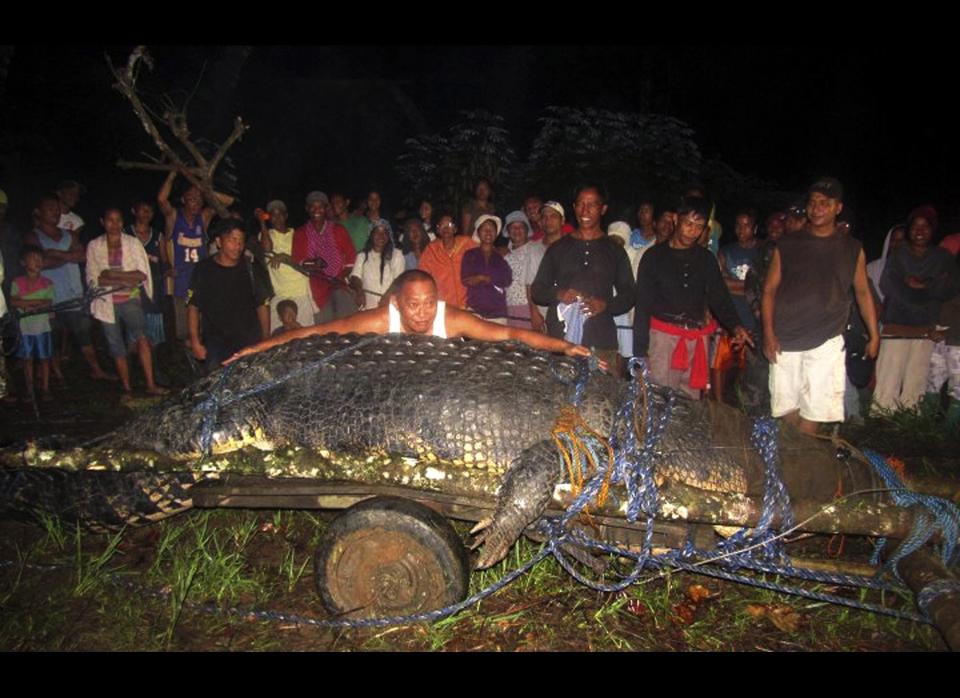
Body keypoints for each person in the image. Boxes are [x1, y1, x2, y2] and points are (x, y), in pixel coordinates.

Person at [225, 269, 596, 366]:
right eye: (414, 305)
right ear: (397, 304)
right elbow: (318, 331)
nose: (422, 313)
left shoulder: (450, 319)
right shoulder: (379, 319)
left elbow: (509, 336)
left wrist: (564, 346)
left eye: (429, 303)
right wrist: (257, 348)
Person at [762, 177, 879, 436]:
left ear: (838, 208)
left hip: (826, 338)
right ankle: (797, 454)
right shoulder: (789, 243)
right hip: (786, 337)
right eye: (813, 202)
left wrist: (874, 334)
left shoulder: (852, 248)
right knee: (785, 406)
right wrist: (768, 333)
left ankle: (803, 460)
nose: (817, 208)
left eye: (825, 203)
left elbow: (862, 291)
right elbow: (769, 289)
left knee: (815, 407)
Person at [633, 196, 752, 399]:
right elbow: (642, 305)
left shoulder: (706, 259)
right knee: (658, 400)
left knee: (689, 404)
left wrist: (736, 326)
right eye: (688, 223)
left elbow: (719, 297)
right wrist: (640, 351)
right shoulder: (653, 257)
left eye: (699, 226)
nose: (693, 231)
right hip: (663, 340)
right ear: (675, 219)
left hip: (695, 340)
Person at [531, 183, 635, 374]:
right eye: (580, 204)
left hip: (600, 340)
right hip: (560, 342)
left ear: (603, 209)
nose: (584, 210)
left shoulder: (614, 251)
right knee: (559, 400)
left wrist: (606, 305)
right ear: (574, 207)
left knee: (600, 401)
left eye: (592, 204)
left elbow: (629, 294)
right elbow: (537, 290)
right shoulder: (558, 248)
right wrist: (559, 293)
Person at [873, 206, 959, 412]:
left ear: (933, 230)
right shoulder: (898, 254)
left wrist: (922, 285)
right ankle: (881, 428)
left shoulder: (943, 258)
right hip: (896, 328)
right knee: (887, 383)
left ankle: (909, 431)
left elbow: (949, 289)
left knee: (915, 385)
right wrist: (924, 289)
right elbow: (888, 286)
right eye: (915, 226)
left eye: (925, 226)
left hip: (925, 331)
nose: (919, 231)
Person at [24, 193, 112, 383]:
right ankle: (55, 375)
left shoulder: (69, 234)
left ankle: (96, 369)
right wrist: (67, 256)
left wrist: (55, 254)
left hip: (73, 294)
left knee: (83, 332)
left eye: (56, 208)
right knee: (52, 335)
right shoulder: (33, 236)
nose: (55, 212)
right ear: (39, 212)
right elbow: (39, 264)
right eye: (49, 208)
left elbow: (82, 256)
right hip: (47, 297)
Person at [86, 208, 167, 395]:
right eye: (110, 220)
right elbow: (94, 278)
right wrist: (124, 278)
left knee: (142, 337)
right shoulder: (95, 246)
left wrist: (111, 274)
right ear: (102, 221)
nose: (114, 225)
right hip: (105, 302)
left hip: (130, 298)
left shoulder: (132, 243)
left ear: (123, 222)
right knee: (116, 344)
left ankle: (150, 384)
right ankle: (127, 387)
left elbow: (141, 275)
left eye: (118, 220)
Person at [157, 170, 234, 344]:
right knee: (186, 331)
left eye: (199, 199)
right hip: (181, 281)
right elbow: (162, 199)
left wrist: (203, 189)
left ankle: (204, 362)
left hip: (202, 281)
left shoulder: (204, 218)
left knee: (205, 326)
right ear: (183, 200)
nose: (196, 202)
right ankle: (191, 362)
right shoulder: (174, 217)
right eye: (191, 198)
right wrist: (172, 174)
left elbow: (228, 201)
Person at [187, 220, 271, 374]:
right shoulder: (203, 269)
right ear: (219, 242)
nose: (238, 246)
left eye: (241, 241)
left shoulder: (251, 269)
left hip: (249, 340)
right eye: (233, 240)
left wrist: (265, 339)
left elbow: (263, 304)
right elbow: (193, 306)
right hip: (216, 343)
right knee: (217, 385)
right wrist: (195, 341)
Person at [714, 209, 763, 403]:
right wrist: (750, 287)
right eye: (738, 225)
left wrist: (734, 285)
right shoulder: (726, 251)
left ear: (755, 227)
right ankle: (718, 404)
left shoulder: (762, 252)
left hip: (753, 319)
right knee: (720, 364)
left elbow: (764, 286)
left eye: (747, 225)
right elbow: (720, 283)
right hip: (730, 317)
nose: (742, 230)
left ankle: (744, 406)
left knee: (749, 369)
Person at [292, 191, 358, 324]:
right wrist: (312, 263)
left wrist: (340, 277)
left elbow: (351, 257)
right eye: (313, 206)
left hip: (340, 284)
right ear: (307, 209)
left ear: (326, 208)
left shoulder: (338, 229)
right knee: (325, 330)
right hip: (318, 288)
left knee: (348, 326)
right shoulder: (300, 233)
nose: (317, 210)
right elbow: (298, 260)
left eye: (320, 206)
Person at [259, 199, 314, 332]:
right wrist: (261, 221)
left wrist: (285, 257)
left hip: (301, 292)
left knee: (305, 336)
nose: (277, 218)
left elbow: (306, 265)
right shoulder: (266, 235)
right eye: (273, 215)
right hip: (280, 294)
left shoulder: (298, 234)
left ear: (286, 216)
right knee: (279, 340)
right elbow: (266, 248)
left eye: (280, 214)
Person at [9, 245, 54, 402]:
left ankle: (46, 388)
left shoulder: (47, 282)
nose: (37, 261)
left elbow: (48, 302)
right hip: (25, 326)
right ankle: (30, 389)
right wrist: (35, 302)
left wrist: (26, 303)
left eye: (39, 258)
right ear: (23, 262)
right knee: (27, 359)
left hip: (42, 326)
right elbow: (14, 301)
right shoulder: (17, 282)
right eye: (33, 258)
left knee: (44, 358)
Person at [127, 200, 166, 350]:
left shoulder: (158, 235)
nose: (146, 214)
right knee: (133, 318)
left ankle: (153, 358)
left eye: (149, 210)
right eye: (142, 210)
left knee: (153, 319)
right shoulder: (126, 233)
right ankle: (132, 359)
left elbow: (164, 260)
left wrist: (168, 269)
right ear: (134, 211)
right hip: (131, 285)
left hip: (153, 283)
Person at [418, 213, 477, 308]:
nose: (446, 228)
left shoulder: (467, 243)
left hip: (469, 304)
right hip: (444, 306)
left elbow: (484, 252)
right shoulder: (431, 249)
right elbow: (422, 275)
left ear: (455, 229)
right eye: (442, 225)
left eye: (449, 225)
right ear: (437, 230)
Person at [462, 215, 512, 323]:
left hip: (498, 313)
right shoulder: (470, 254)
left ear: (496, 233)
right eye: (485, 229)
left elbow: (507, 280)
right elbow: (465, 280)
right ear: (478, 232)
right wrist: (484, 278)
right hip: (474, 311)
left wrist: (483, 278)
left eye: (492, 229)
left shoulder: (501, 255)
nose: (488, 232)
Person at [350, 219, 405, 310]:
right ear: (371, 235)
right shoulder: (362, 256)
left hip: (390, 306)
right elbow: (355, 277)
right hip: (368, 307)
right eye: (377, 232)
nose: (381, 236)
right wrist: (359, 291)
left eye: (384, 233)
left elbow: (399, 279)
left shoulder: (397, 255)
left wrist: (387, 296)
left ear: (389, 236)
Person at [606, 221, 641, 361]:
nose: (615, 243)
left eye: (619, 240)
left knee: (622, 349)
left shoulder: (632, 254)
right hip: (603, 306)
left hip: (623, 309)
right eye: (612, 239)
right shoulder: (601, 252)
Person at [867, 224, 907, 304]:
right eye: (894, 240)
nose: (897, 244)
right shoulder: (872, 268)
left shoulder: (917, 269)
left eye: (902, 240)